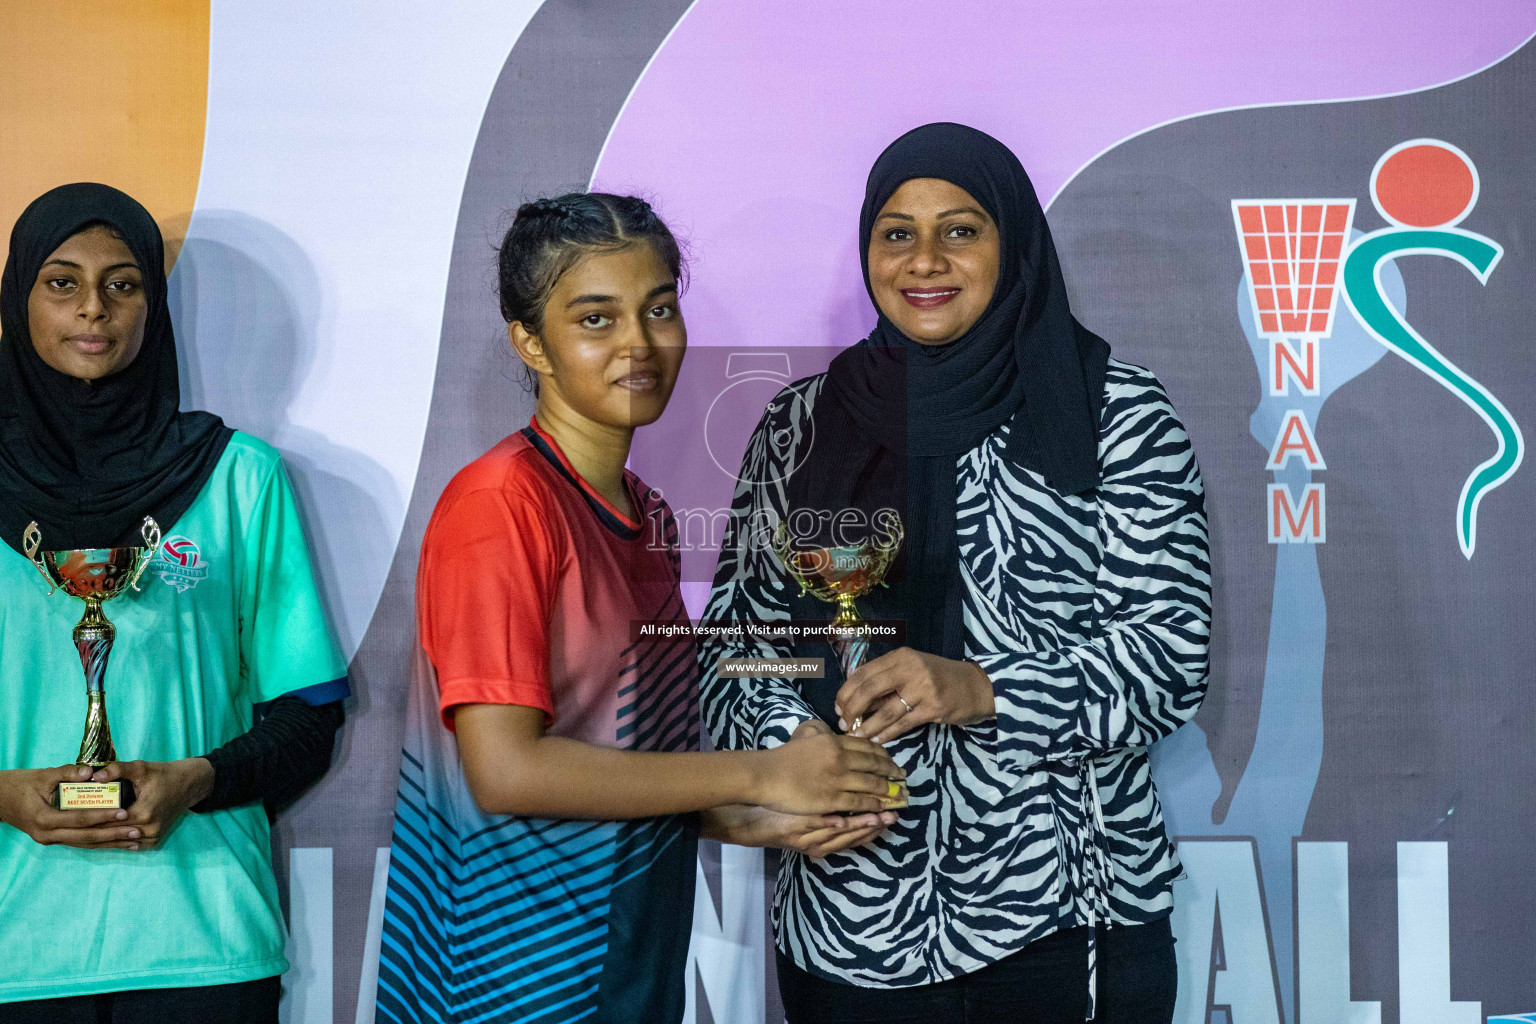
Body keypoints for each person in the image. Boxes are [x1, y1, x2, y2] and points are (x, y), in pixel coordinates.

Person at [700, 123, 1212, 1023]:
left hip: (1064, 918)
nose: (923, 259)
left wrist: (980, 685)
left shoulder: (1115, 412)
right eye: (897, 232)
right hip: (849, 917)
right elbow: (742, 641)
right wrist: (794, 750)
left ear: (1011, 243)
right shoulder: (802, 425)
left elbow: (1169, 662)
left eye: (961, 229)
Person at [374, 192, 906, 1024]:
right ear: (530, 342)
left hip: (627, 967)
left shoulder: (648, 513)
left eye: (659, 309)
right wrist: (762, 771)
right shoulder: (498, 506)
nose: (640, 344)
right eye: (596, 319)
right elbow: (507, 770)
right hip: (507, 982)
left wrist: (754, 818)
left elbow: (613, 759)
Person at [0, 184, 349, 1022]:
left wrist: (195, 779)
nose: (94, 308)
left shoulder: (238, 479)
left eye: (123, 284)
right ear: (18, 298)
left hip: (203, 946)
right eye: (62, 282)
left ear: (153, 303)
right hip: (18, 952)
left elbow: (307, 716)